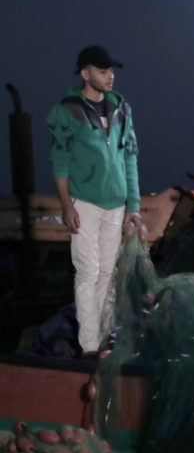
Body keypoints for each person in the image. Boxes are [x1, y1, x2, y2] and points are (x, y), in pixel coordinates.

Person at [46, 46, 141, 358]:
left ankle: (104, 342)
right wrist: (66, 204)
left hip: (115, 204)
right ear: (85, 74)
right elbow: (59, 158)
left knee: (107, 274)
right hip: (83, 202)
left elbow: (130, 157)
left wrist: (133, 206)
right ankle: (89, 347)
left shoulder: (120, 107)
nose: (110, 75)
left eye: (112, 70)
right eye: (103, 71)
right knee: (88, 272)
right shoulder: (67, 108)